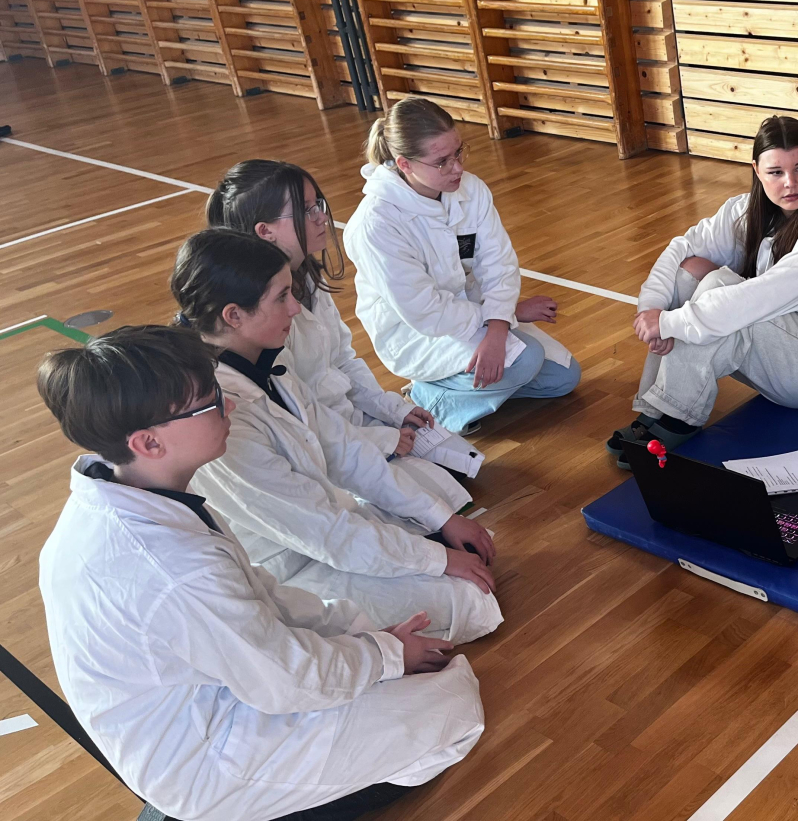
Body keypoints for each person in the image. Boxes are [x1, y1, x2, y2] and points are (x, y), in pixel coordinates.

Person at [36, 324, 484, 821]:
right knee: (455, 706)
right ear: (149, 442)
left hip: (216, 696)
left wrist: (368, 639)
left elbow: (259, 595)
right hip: (207, 760)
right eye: (209, 403)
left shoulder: (131, 495)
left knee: (405, 668)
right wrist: (386, 655)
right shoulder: (167, 563)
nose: (228, 405)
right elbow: (285, 677)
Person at [173, 227, 502, 644]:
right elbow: (323, 533)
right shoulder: (220, 418)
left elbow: (347, 452)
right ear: (233, 316)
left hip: (324, 526)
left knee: (455, 533)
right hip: (289, 564)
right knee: (469, 599)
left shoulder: (265, 364)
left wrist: (442, 521)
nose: (295, 308)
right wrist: (439, 559)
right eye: (281, 298)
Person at [605, 115, 798, 464]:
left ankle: (678, 415)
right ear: (756, 170)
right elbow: (682, 249)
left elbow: (762, 297)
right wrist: (652, 308)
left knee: (721, 288)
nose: (790, 183)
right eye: (775, 172)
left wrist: (670, 323)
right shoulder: (747, 209)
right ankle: (656, 407)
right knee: (691, 271)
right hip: (782, 345)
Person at [207, 158, 485, 490]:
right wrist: (379, 439)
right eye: (307, 210)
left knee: (460, 465)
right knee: (435, 496)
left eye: (318, 204)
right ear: (265, 231)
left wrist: (391, 410)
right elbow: (302, 417)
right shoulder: (263, 319)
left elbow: (342, 359)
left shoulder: (308, 279)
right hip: (322, 441)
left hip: (349, 416)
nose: (322, 217)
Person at [343, 96, 580, 435]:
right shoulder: (375, 224)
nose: (457, 168)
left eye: (458, 152)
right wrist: (503, 318)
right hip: (418, 333)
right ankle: (426, 398)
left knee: (564, 378)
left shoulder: (471, 190)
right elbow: (426, 312)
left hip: (473, 313)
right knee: (526, 359)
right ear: (405, 164)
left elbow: (499, 265)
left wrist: (501, 321)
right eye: (442, 162)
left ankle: (464, 387)